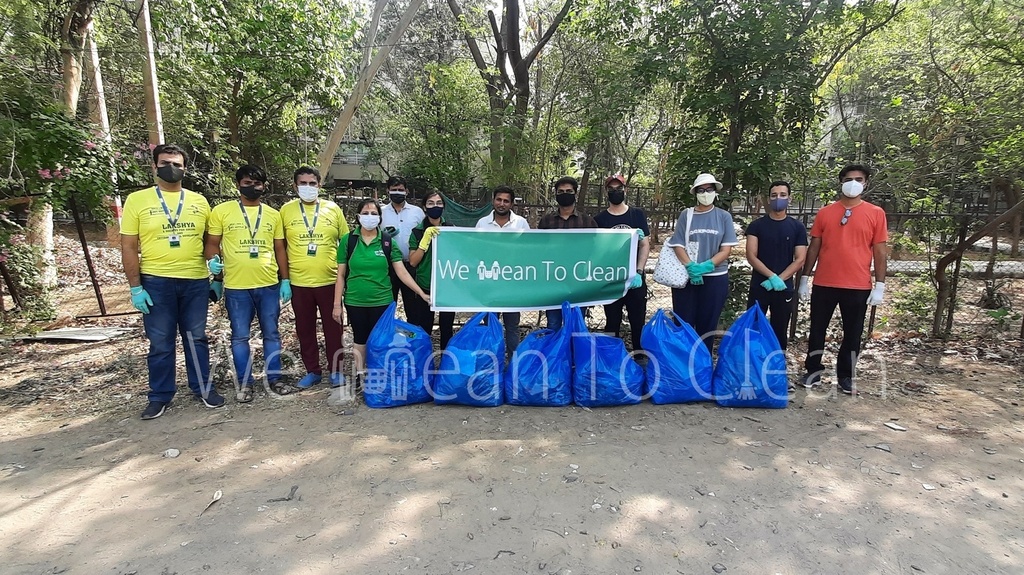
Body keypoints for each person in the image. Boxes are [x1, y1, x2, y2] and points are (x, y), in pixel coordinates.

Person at [121, 143, 224, 420]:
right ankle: (160, 396)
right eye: (166, 163)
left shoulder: (199, 201)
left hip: (195, 281)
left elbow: (209, 242)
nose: (172, 168)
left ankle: (203, 388)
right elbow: (129, 246)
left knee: (196, 338)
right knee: (161, 342)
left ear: (185, 168)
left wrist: (216, 272)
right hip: (156, 281)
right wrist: (135, 287)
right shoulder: (137, 201)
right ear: (154, 166)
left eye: (177, 164)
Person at [205, 165, 292, 403]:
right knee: (240, 337)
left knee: (271, 334)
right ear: (238, 185)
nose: (252, 188)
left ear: (264, 186)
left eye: (257, 184)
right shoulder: (222, 211)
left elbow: (279, 249)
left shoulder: (273, 215)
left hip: (268, 285)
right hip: (236, 287)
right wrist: (214, 269)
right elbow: (213, 242)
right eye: (246, 183)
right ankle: (245, 383)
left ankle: (275, 378)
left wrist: (285, 279)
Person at [800, 164, 888, 395]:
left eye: (859, 179)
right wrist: (804, 278)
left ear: (865, 183)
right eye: (849, 179)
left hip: (857, 285)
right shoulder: (825, 212)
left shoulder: (875, 213)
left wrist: (880, 284)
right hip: (825, 282)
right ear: (841, 181)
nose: (853, 183)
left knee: (852, 333)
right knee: (817, 329)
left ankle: (846, 376)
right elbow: (814, 246)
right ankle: (813, 371)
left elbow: (879, 250)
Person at [333, 198, 429, 383]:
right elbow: (340, 275)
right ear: (358, 216)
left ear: (380, 217)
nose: (370, 217)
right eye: (366, 213)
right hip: (355, 300)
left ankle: (380, 375)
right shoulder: (349, 241)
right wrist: (337, 305)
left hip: (382, 301)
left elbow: (401, 271)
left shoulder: (386, 242)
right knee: (360, 339)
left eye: (374, 213)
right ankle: (361, 376)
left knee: (381, 340)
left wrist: (421, 292)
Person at [280, 166, 350, 389]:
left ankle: (336, 371)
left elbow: (347, 243)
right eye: (303, 183)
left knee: (334, 330)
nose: (308, 188)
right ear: (295, 186)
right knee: (305, 329)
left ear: (320, 185)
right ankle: (312, 370)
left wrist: (345, 277)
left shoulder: (333, 209)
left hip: (330, 281)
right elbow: (280, 246)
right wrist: (284, 279)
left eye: (312, 184)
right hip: (299, 283)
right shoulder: (286, 211)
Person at [666, 173, 738, 353]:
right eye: (701, 190)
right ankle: (683, 366)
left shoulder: (723, 217)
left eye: (709, 189)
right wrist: (691, 267)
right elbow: (678, 244)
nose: (705, 193)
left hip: (715, 278)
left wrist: (706, 266)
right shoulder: (687, 215)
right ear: (695, 192)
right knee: (684, 324)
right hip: (687, 278)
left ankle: (702, 366)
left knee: (708, 325)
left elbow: (726, 249)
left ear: (715, 191)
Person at [745, 180, 807, 350]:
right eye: (774, 195)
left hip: (784, 287)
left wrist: (780, 279)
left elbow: (800, 258)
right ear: (769, 199)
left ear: (789, 198)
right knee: (754, 327)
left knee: (779, 329)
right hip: (760, 285)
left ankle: (777, 366)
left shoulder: (797, 227)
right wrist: (771, 276)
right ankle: (753, 365)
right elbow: (751, 255)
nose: (778, 198)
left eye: (782, 195)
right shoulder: (756, 226)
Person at [594, 175, 650, 352]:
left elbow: (645, 244)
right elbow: (598, 250)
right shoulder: (600, 219)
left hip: (635, 279)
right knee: (612, 322)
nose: (615, 192)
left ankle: (640, 357)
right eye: (611, 189)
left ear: (626, 190)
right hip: (612, 280)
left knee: (637, 321)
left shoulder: (637, 214)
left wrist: (639, 271)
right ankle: (612, 359)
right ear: (606, 192)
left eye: (619, 188)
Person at [538, 176, 599, 330]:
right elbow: (539, 250)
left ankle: (574, 354)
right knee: (553, 324)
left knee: (576, 325)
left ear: (575, 194)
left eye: (569, 191)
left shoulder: (587, 222)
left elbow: (595, 250)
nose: (565, 194)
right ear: (556, 194)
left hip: (578, 281)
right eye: (561, 191)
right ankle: (556, 354)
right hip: (552, 281)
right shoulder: (546, 222)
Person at [476, 185, 531, 353]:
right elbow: (475, 250)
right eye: (499, 200)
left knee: (512, 326)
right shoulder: (482, 223)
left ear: (512, 204)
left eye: (506, 201)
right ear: (493, 201)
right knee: (490, 324)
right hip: (489, 284)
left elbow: (528, 250)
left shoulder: (521, 223)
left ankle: (513, 362)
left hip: (512, 285)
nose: (502, 203)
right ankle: (492, 360)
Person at [407, 191, 456, 349]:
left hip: (447, 286)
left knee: (447, 327)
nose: (435, 206)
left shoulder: (451, 228)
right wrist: (425, 241)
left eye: (439, 203)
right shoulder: (417, 231)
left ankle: (446, 364)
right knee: (425, 327)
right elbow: (413, 262)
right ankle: (424, 362)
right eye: (431, 203)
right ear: (424, 207)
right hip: (425, 286)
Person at [380, 176, 424, 318]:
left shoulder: (417, 212)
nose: (397, 192)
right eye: (394, 190)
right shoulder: (380, 212)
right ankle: (387, 337)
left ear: (406, 191)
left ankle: (413, 338)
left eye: (400, 190)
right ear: (388, 191)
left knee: (413, 308)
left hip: (411, 265)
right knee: (387, 306)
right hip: (387, 266)